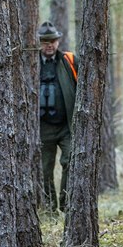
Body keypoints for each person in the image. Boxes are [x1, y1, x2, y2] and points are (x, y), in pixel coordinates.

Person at [38, 21, 78, 213]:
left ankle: (66, 204)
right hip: (42, 127)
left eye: (52, 40)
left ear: (58, 41)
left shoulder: (69, 61)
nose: (49, 45)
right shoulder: (31, 63)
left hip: (66, 126)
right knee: (44, 169)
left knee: (71, 162)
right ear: (39, 42)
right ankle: (49, 208)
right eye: (45, 41)